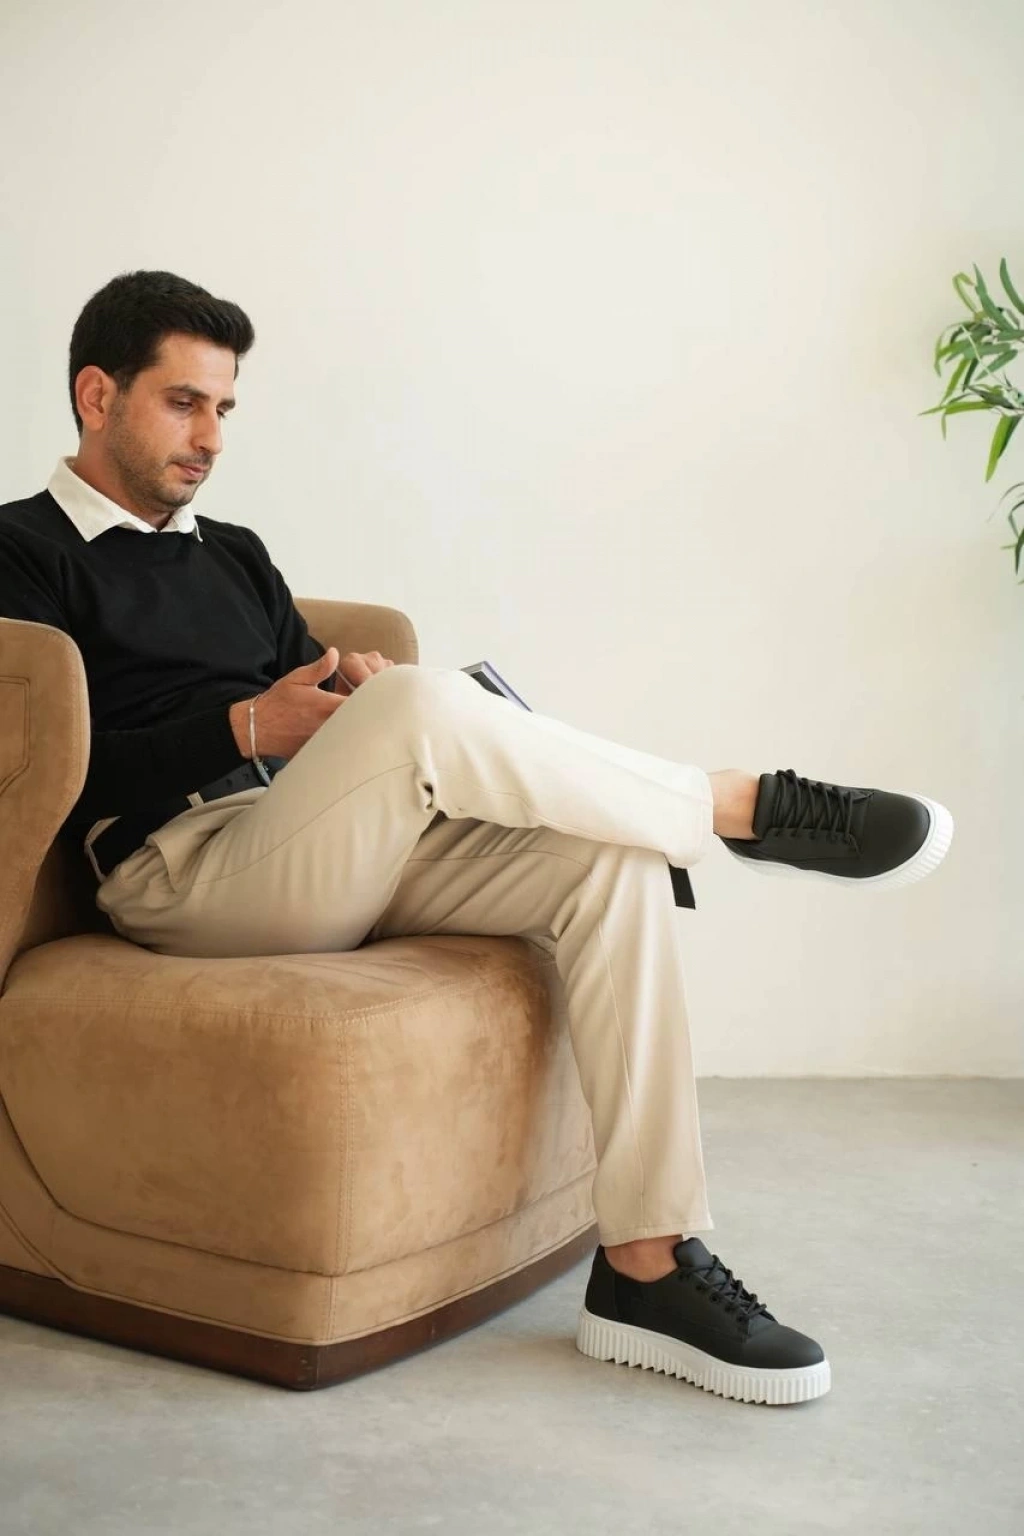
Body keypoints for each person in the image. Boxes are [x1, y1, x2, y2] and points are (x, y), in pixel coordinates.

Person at [0, 270, 954, 1407]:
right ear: (96, 395)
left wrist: (347, 692)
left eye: (225, 408)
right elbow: (51, 765)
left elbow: (307, 690)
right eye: (183, 403)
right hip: (181, 876)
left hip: (307, 840)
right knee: (425, 705)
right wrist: (249, 726)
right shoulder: (21, 551)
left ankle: (647, 1264)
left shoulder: (235, 551)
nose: (210, 437)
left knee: (608, 859)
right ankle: (736, 806)